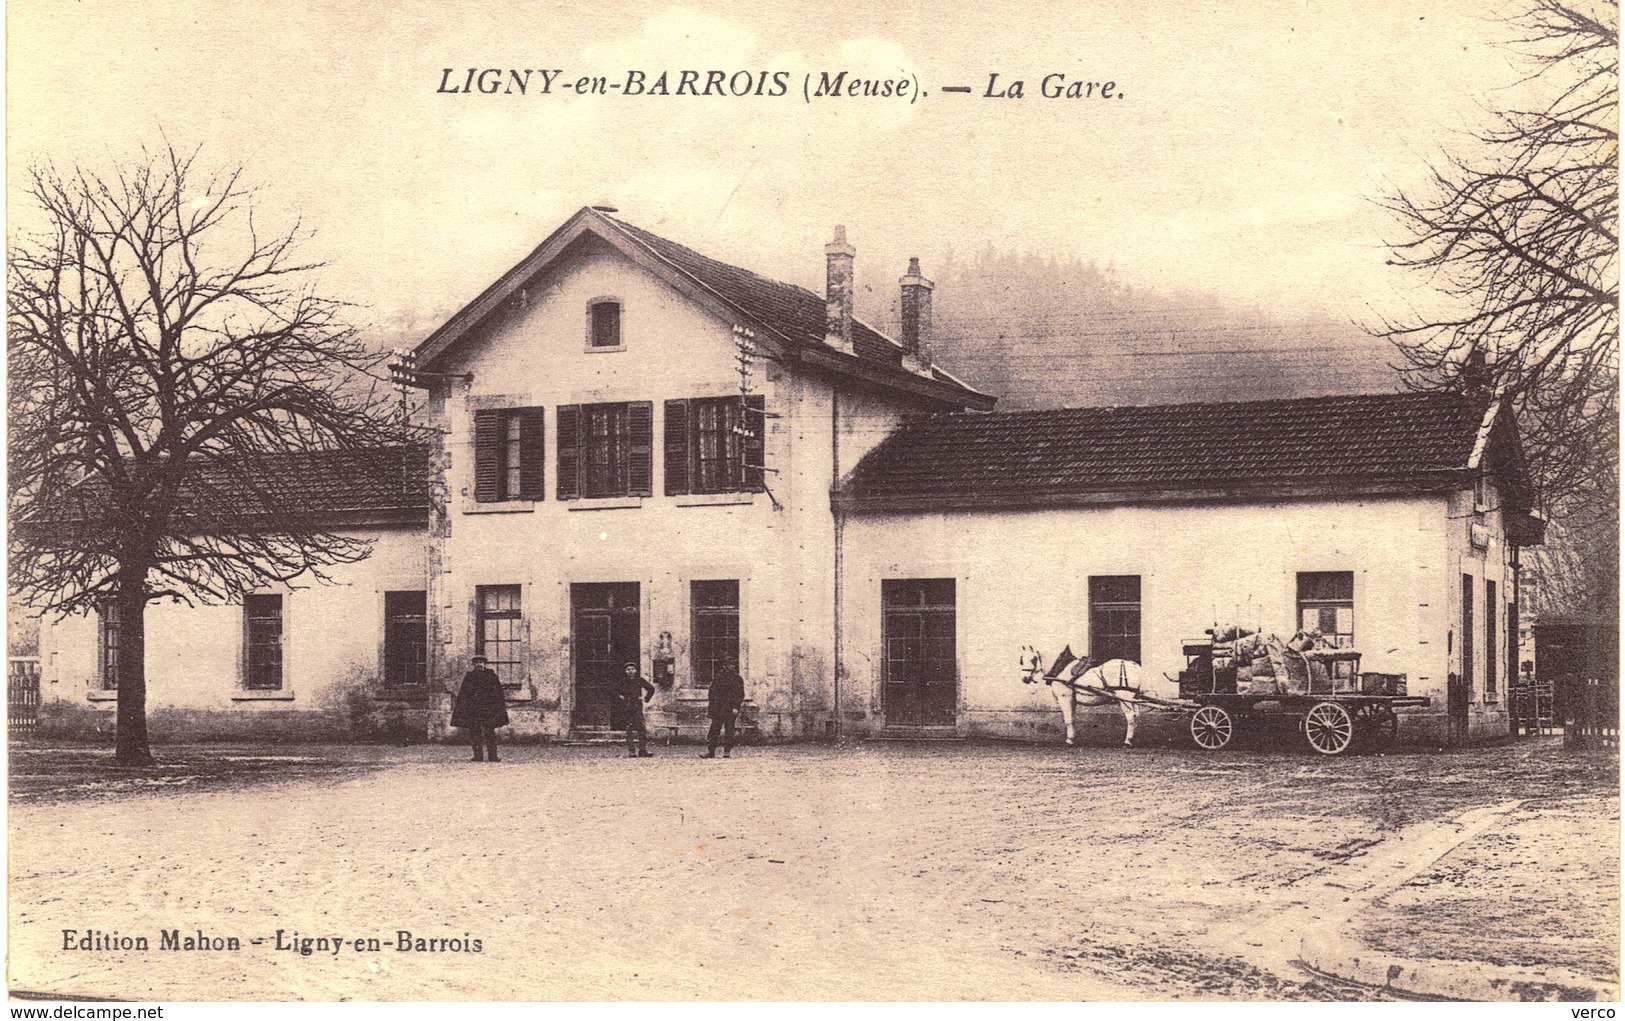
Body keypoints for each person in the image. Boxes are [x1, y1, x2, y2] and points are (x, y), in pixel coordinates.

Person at [451, 654, 509, 762]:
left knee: (490, 732)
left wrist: (496, 706)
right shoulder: (469, 677)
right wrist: (466, 707)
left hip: (488, 709)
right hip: (474, 709)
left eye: (481, 662)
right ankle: (478, 756)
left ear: (484, 663)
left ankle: (493, 756)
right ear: (473, 664)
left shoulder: (491, 676)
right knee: (475, 732)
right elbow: (464, 693)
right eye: (476, 662)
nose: (479, 664)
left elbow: (498, 692)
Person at [702, 657, 746, 758]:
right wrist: (712, 705)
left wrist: (736, 707)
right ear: (724, 666)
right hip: (718, 708)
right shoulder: (719, 677)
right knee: (714, 730)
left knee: (729, 730)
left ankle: (727, 751)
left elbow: (740, 695)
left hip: (729, 708)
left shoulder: (737, 678)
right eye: (727, 665)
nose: (729, 667)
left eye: (731, 665)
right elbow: (712, 691)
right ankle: (711, 751)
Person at [614, 661, 656, 758]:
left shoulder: (640, 680)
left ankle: (642, 750)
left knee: (641, 729)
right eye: (628, 669)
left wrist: (645, 698)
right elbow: (614, 691)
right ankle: (631, 751)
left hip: (637, 706)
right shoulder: (622, 681)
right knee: (629, 729)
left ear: (636, 670)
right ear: (625, 671)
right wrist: (621, 697)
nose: (630, 671)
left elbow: (651, 688)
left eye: (632, 669)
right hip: (627, 707)